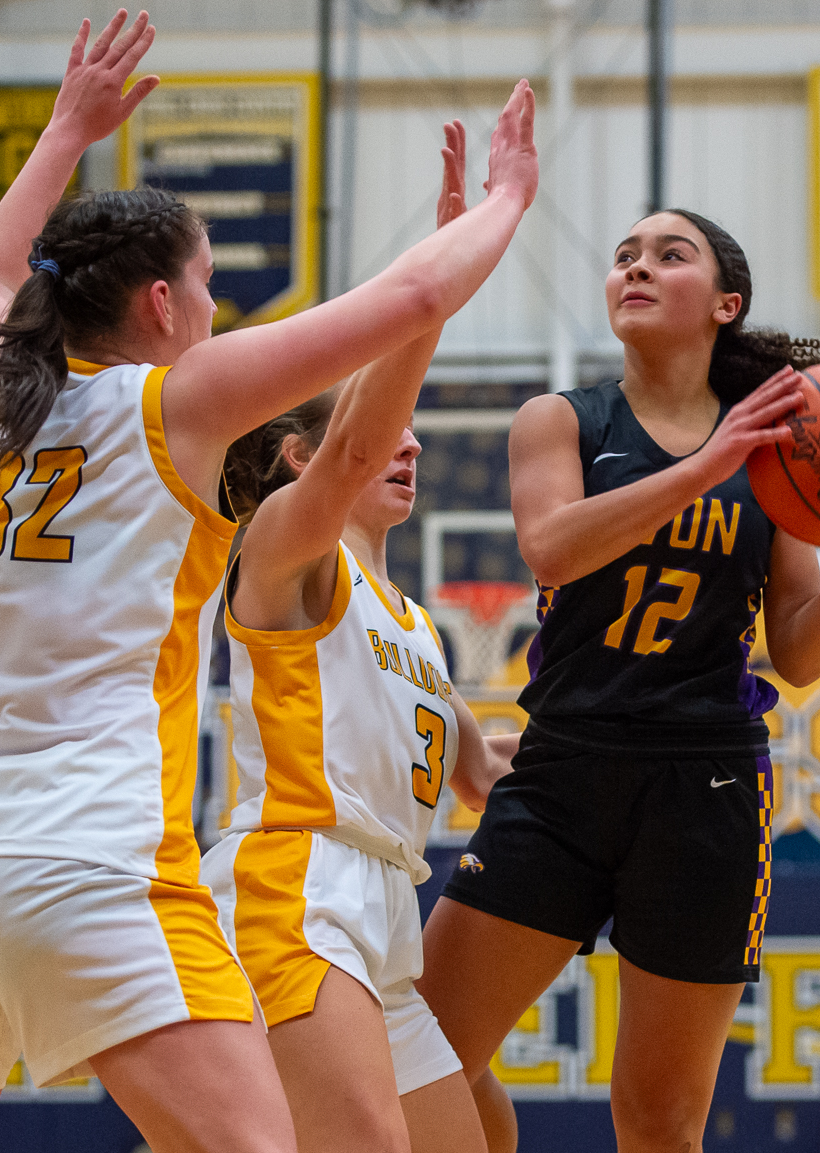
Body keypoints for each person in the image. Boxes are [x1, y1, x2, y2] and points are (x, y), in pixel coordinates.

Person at [0, 7, 542, 1151]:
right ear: (161, 304)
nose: (210, 309)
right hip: (84, 854)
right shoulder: (177, 406)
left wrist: (65, 131)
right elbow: (408, 301)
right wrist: (506, 202)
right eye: (203, 284)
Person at [415, 208, 820, 1153]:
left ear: (724, 304)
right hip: (563, 768)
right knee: (424, 1053)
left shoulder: (777, 457)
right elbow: (551, 548)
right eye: (624, 256)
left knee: (658, 1121)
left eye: (668, 254)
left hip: (707, 784)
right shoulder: (563, 420)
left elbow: (798, 655)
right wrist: (710, 463)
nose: (636, 267)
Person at [201, 120, 517, 1153]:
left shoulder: (416, 625)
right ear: (302, 453)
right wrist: (439, 279)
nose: (408, 441)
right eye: (388, 426)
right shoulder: (285, 552)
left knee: (475, 1143)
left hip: (386, 906)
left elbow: (481, 776)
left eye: (409, 429)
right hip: (297, 882)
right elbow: (352, 451)